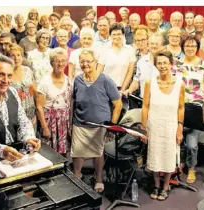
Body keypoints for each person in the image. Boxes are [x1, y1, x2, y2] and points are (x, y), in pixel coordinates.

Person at [71, 49, 122, 193]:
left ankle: (99, 178)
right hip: (80, 123)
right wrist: (71, 123)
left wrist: (112, 125)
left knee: (98, 153)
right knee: (77, 153)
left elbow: (118, 104)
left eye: (88, 61)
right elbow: (74, 102)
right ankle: (76, 176)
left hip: (100, 124)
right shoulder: (78, 79)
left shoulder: (105, 80)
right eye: (82, 61)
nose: (85, 64)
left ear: (95, 62)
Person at [142, 51, 185, 201]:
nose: (162, 66)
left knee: (168, 156)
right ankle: (156, 184)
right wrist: (143, 127)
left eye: (165, 63)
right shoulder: (150, 82)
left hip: (171, 125)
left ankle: (165, 186)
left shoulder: (180, 83)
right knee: (154, 155)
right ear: (155, 65)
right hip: (154, 124)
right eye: (159, 63)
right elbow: (145, 106)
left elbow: (181, 107)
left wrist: (180, 127)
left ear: (171, 64)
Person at [172, 36, 204, 184]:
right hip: (178, 106)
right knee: (178, 138)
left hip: (196, 107)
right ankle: (179, 164)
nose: (190, 48)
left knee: (192, 144)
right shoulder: (175, 65)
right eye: (187, 45)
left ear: (197, 47)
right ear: (183, 47)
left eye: (193, 46)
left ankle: (192, 168)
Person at [36, 48, 73, 156]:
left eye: (63, 61)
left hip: (64, 122)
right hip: (49, 122)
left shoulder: (69, 82)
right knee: (49, 154)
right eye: (57, 61)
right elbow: (39, 107)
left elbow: (70, 106)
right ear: (52, 63)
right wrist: (45, 128)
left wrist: (70, 125)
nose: (60, 64)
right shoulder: (44, 82)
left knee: (64, 153)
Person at [122, 31, 162, 98]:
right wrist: (130, 90)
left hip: (161, 100)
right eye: (152, 44)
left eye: (157, 44)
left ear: (162, 46)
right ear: (148, 44)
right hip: (144, 100)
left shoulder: (167, 61)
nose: (154, 46)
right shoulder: (141, 61)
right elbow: (136, 81)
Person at [97, 23, 136, 90]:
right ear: (110, 36)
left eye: (119, 34)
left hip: (123, 88)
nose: (116, 37)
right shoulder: (104, 50)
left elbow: (129, 72)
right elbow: (98, 72)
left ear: (123, 35)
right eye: (114, 34)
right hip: (106, 88)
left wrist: (122, 90)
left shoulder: (130, 50)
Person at [8, 44, 37, 127]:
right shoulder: (7, 73)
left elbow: (35, 91)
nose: (16, 58)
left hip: (30, 112)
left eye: (18, 55)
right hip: (14, 113)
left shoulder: (28, 70)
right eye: (12, 55)